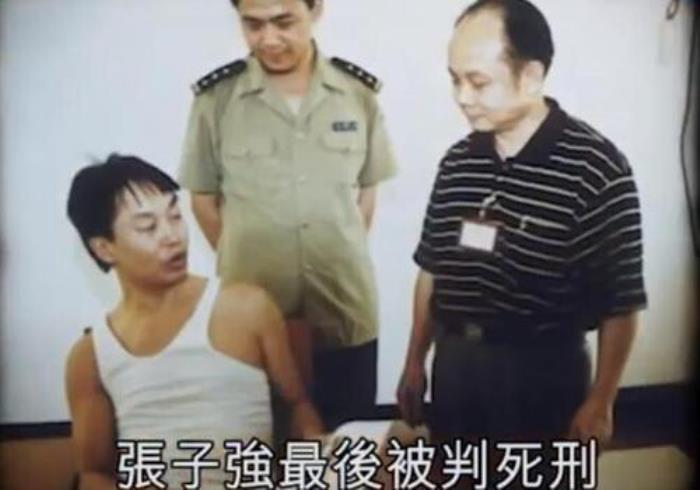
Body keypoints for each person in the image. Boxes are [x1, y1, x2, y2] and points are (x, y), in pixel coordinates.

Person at [397, 0, 647, 447]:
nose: (462, 97)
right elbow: (432, 269)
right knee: (456, 473)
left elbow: (621, 301)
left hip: (542, 374)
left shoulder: (595, 169)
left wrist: (601, 399)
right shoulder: (458, 162)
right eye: (455, 80)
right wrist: (416, 360)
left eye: (478, 82)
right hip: (456, 367)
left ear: (530, 76)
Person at [178, 0, 397, 429]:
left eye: (284, 22)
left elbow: (366, 193)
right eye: (253, 25)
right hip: (253, 317)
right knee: (262, 441)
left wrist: (335, 251)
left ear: (316, 11)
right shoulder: (217, 99)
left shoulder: (356, 93)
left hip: (343, 305)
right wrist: (249, 262)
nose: (269, 39)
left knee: (347, 439)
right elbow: (203, 200)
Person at [65, 155, 323, 489]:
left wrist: (316, 457)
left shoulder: (246, 308)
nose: (172, 236)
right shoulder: (91, 356)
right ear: (104, 248)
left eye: (175, 216)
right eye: (148, 227)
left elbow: (298, 408)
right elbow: (94, 473)